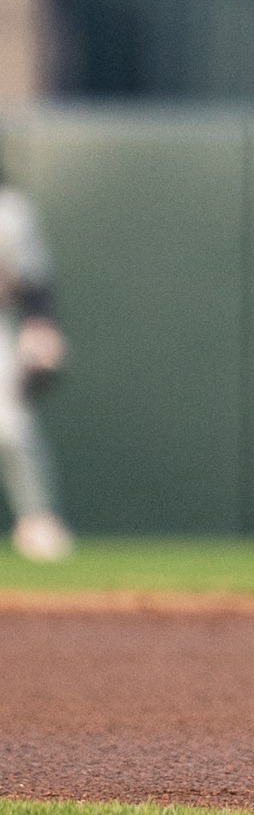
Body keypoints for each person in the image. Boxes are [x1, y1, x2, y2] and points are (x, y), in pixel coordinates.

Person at [0, 174, 69, 562]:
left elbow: (34, 281)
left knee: (11, 428)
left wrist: (42, 332)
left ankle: (37, 520)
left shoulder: (10, 210)